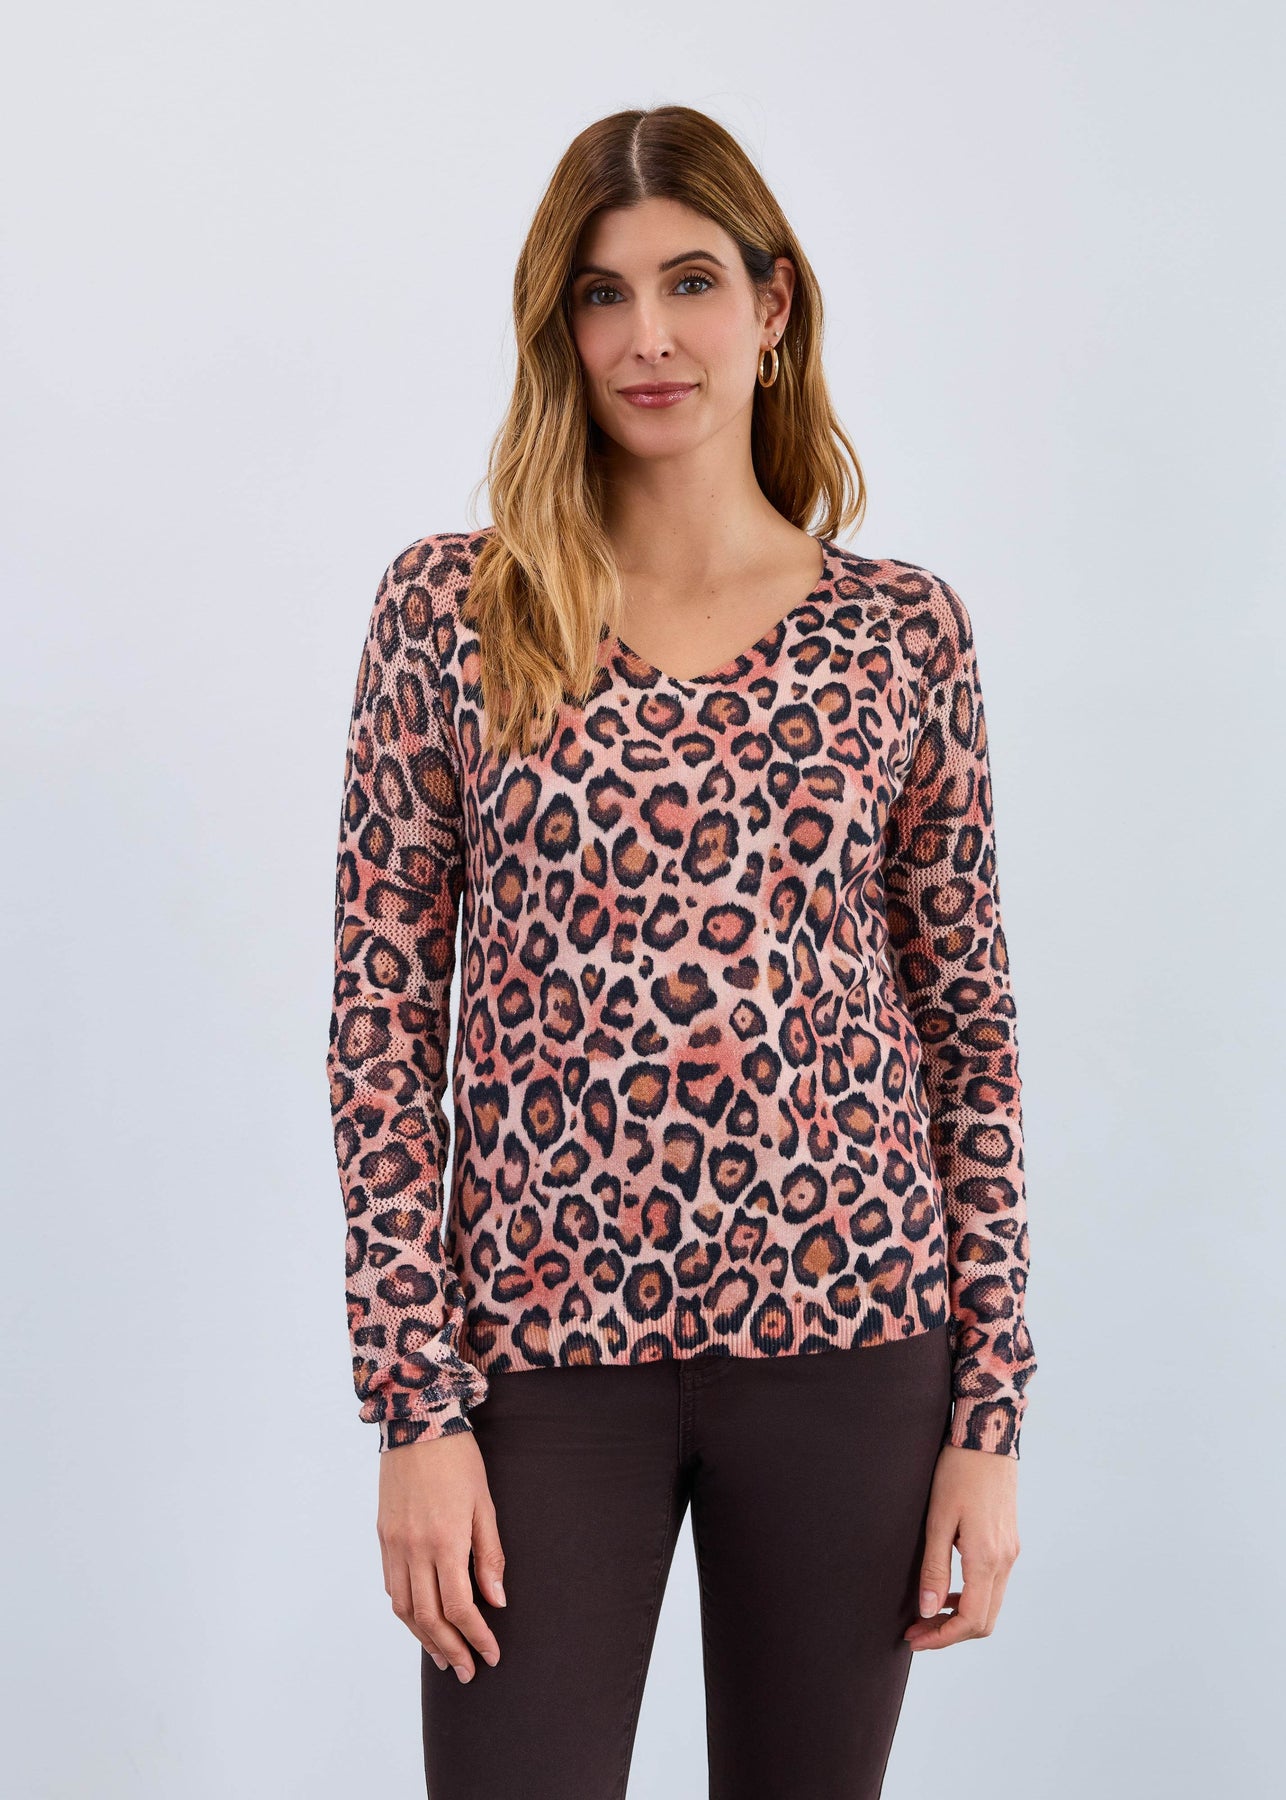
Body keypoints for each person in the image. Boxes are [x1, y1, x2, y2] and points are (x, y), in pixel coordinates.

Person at [325, 103, 1036, 1800]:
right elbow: (377, 1026)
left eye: (691, 282)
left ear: (772, 307)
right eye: (601, 293)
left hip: (854, 1341)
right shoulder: (455, 611)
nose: (647, 335)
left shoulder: (899, 632)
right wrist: (414, 1407)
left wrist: (986, 1423)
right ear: (556, 330)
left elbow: (969, 1032)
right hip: (537, 1361)